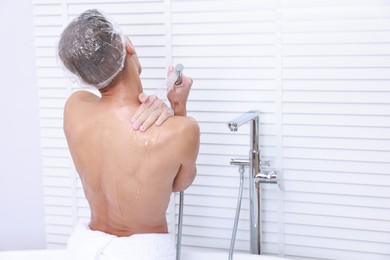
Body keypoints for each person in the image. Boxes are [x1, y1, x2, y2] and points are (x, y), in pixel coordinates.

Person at [58, 9, 200, 260]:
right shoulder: (181, 130)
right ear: (128, 45)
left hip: (88, 250)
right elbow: (180, 184)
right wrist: (178, 108)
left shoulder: (74, 108)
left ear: (83, 79)